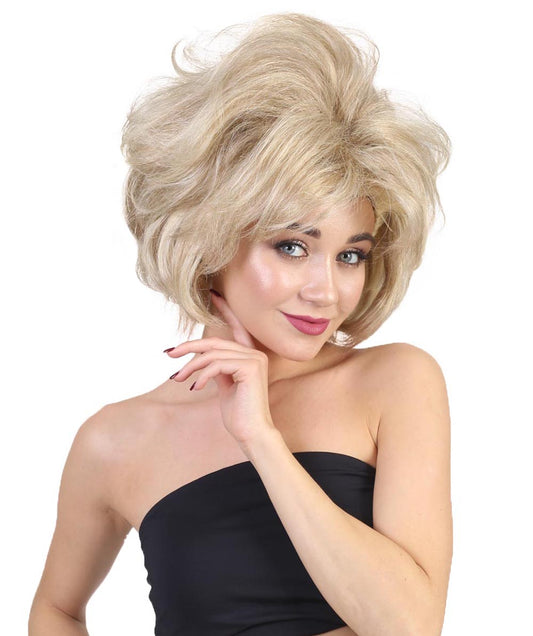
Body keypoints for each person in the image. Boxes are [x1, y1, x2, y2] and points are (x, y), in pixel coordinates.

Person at [28, 12, 453, 636]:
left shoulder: (395, 381)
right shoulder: (114, 441)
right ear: (209, 239)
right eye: (291, 246)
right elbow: (56, 610)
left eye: (350, 255)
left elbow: (409, 626)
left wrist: (261, 439)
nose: (326, 291)